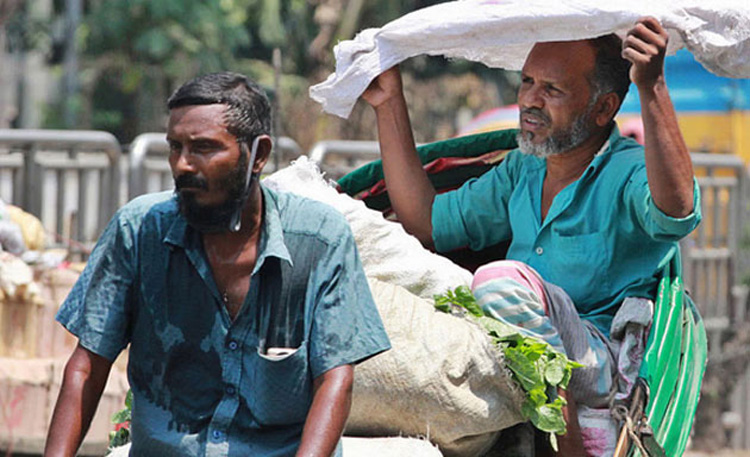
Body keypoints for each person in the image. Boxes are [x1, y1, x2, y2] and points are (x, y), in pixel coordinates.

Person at [361, 16, 700, 456]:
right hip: (517, 347)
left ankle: (566, 444)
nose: (530, 101)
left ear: (603, 108)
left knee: (498, 282)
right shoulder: (523, 168)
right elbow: (427, 222)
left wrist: (652, 85)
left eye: (552, 90)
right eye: (526, 82)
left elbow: (677, 210)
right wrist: (389, 102)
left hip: (594, 361)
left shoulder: (628, 171)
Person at [45, 72, 390, 457]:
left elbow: (335, 381)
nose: (183, 165)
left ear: (258, 155)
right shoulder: (138, 230)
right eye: (174, 148)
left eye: (204, 148)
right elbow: (86, 367)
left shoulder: (319, 240)